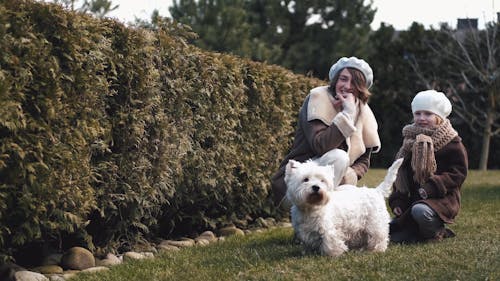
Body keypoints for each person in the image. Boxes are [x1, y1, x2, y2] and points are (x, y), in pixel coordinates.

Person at [271, 56, 381, 206]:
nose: (347, 86)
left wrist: (352, 173)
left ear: (361, 87)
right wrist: (347, 115)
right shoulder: (318, 98)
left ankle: (328, 217)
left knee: (352, 195)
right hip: (296, 188)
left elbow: (364, 160)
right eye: (343, 79)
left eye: (354, 82)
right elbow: (320, 145)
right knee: (339, 157)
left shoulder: (364, 112)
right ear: (336, 80)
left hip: (332, 186)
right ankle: (315, 216)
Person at [389, 90, 468, 243]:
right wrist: (398, 201)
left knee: (420, 211)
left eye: (428, 114)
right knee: (389, 230)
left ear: (439, 117)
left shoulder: (452, 142)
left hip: (440, 199)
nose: (421, 118)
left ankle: (435, 232)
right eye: (417, 113)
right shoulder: (410, 141)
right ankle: (414, 232)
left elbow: (458, 173)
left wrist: (432, 186)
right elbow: (400, 172)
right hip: (412, 200)